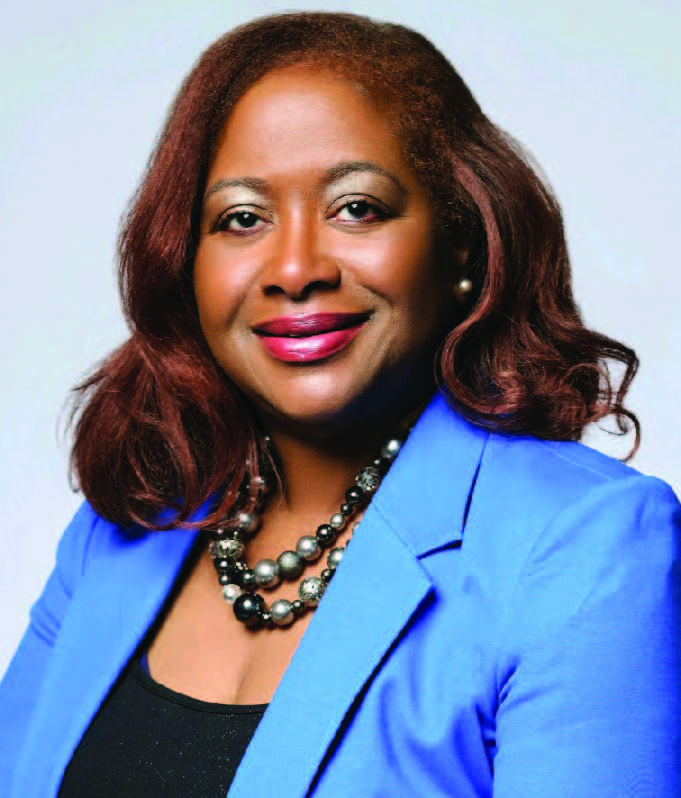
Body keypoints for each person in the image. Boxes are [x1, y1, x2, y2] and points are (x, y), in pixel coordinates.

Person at [0, 11, 678, 798]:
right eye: (242, 219)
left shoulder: (586, 548)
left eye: (356, 207)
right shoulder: (125, 527)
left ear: (460, 238)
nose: (294, 268)